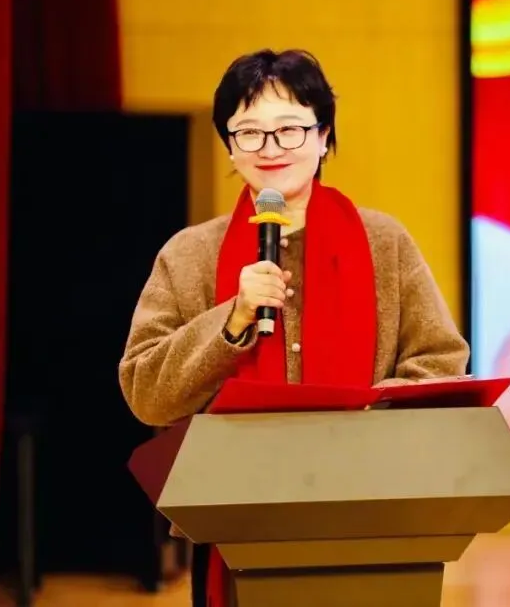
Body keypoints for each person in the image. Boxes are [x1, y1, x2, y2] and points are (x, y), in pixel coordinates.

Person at [117, 48, 469, 607]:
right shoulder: (189, 254)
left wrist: (364, 422)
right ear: (229, 145)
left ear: (324, 136)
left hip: (369, 503)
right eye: (249, 132)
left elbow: (440, 361)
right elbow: (146, 394)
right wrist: (231, 319)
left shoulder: (386, 242)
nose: (270, 147)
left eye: (289, 128)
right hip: (238, 516)